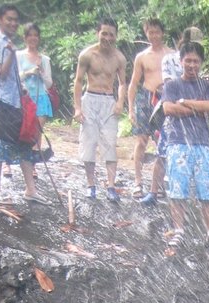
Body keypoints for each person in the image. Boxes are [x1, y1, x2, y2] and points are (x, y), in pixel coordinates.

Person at [161, 41, 209, 254]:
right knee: (177, 189)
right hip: (178, 142)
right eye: (188, 60)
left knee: (208, 190)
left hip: (203, 143)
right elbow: (168, 109)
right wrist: (195, 107)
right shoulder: (171, 85)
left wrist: (184, 102)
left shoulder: (208, 86)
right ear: (181, 61)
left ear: (201, 63)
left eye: (196, 61)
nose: (191, 65)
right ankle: (178, 229)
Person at [0, 4, 48, 204]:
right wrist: (12, 54)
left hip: (15, 101)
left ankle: (31, 190)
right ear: (0, 20)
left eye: (15, 19)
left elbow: (13, 77)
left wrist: (23, 90)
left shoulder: (8, 43)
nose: (13, 23)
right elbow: (0, 74)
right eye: (9, 19)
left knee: (24, 143)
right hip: (2, 102)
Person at [142, 26, 204, 208]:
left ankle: (189, 196)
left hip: (192, 115)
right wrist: (190, 103)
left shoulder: (198, 59)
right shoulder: (170, 59)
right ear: (182, 42)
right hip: (173, 112)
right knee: (162, 153)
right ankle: (153, 192)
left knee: (193, 154)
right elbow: (170, 86)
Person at [73, 17, 127, 202]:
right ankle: (91, 185)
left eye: (111, 34)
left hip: (109, 101)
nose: (107, 38)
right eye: (104, 33)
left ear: (116, 36)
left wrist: (120, 102)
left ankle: (111, 186)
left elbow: (122, 83)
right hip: (90, 98)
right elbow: (78, 81)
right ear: (98, 33)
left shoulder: (119, 57)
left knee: (110, 144)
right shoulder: (87, 55)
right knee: (89, 143)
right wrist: (78, 108)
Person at [127, 18, 173, 198]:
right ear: (146, 33)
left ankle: (158, 183)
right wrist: (130, 108)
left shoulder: (172, 55)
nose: (153, 35)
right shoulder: (142, 56)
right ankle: (138, 182)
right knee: (141, 141)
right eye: (150, 32)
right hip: (146, 98)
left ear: (162, 33)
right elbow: (133, 83)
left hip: (166, 99)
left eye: (157, 32)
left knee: (163, 143)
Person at [17, 23, 53, 175]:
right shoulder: (18, 56)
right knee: (21, 131)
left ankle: (32, 165)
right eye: (30, 35)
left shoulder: (44, 59)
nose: (33, 38)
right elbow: (16, 78)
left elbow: (49, 83)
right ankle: (12, 161)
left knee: (36, 132)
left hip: (41, 98)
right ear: (25, 38)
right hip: (25, 98)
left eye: (35, 35)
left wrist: (42, 71)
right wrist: (29, 72)